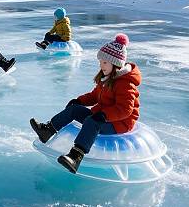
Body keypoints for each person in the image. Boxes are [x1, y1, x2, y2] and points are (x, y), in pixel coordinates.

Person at [30, 33, 141, 173]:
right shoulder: (106, 78)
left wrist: (104, 115)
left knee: (91, 121)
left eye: (105, 62)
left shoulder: (125, 84)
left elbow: (125, 109)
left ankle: (75, 156)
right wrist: (80, 100)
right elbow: (95, 95)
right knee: (75, 109)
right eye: (101, 62)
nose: (101, 65)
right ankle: (47, 130)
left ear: (116, 64)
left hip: (120, 123)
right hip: (103, 115)